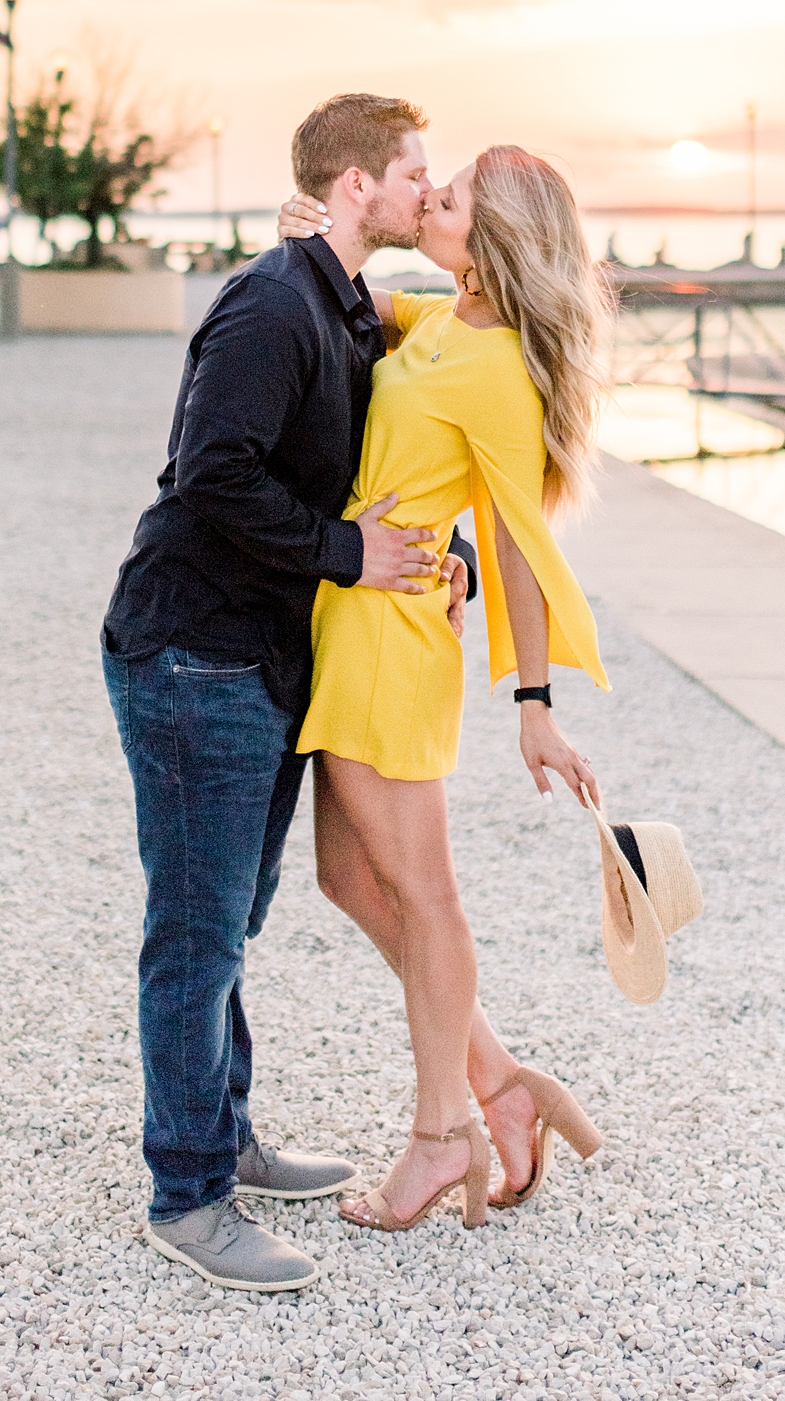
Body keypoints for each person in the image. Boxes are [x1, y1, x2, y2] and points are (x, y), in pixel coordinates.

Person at [100, 94, 470, 1295]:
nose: (429, 189)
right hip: (192, 653)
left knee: (235, 915)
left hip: (262, 661)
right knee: (196, 935)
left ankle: (228, 1134)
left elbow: (400, 438)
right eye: (414, 173)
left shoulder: (347, 302)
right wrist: (343, 552)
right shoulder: (272, 303)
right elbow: (210, 477)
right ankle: (188, 1194)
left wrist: (440, 554)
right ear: (357, 185)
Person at [276, 144, 610, 1236]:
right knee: (348, 879)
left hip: (392, 639)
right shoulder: (442, 322)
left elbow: (519, 538)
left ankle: (441, 1137)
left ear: (491, 239)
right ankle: (504, 1086)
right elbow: (363, 305)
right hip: (354, 616)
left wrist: (534, 702)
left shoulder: (501, 370)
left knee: (426, 897)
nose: (433, 201)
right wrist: (318, 228)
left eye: (451, 198)